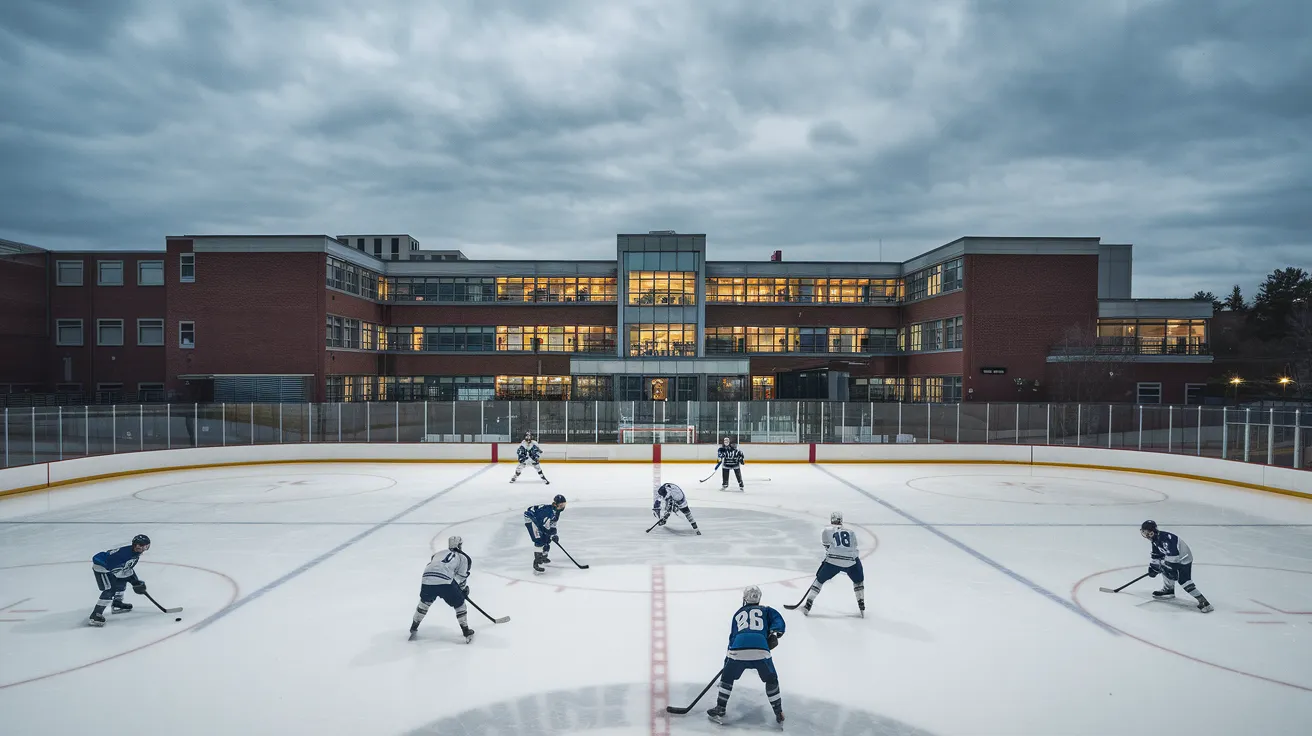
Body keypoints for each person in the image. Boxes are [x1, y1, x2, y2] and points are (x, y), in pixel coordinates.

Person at [707, 585, 786, 725]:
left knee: (727, 678)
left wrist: (727, 664)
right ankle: (778, 711)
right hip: (761, 649)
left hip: (738, 649)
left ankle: (720, 707)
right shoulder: (766, 610)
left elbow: (732, 638)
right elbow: (779, 622)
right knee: (771, 679)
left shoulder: (738, 614)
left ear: (744, 599)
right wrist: (775, 632)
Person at [411, 536, 475, 642]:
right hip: (445, 582)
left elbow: (435, 564)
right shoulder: (463, 557)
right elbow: (461, 577)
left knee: (424, 603)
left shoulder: (438, 554)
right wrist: (462, 591)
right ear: (459, 545)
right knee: (460, 604)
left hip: (427, 578)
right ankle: (466, 631)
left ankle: (414, 626)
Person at [801, 511, 864, 616]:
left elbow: (827, 547)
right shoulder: (850, 532)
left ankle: (809, 602)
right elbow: (854, 546)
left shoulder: (826, 530)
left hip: (833, 561)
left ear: (831, 520)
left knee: (819, 580)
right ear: (841, 520)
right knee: (858, 580)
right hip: (850, 562)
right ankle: (861, 602)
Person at [1141, 520, 1212, 613]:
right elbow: (1156, 555)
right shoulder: (1155, 540)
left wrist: (1168, 568)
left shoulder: (1167, 539)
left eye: (1147, 533)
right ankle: (1168, 590)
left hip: (1183, 560)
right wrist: (1153, 567)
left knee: (1184, 581)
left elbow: (1174, 556)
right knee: (1163, 567)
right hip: (1173, 559)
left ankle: (1204, 602)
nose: (1145, 535)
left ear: (1152, 532)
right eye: (1144, 532)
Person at [89, 534, 150, 627]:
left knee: (122, 581)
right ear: (134, 545)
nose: (141, 549)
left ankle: (117, 604)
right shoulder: (124, 555)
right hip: (102, 568)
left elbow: (127, 569)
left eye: (145, 547)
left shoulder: (134, 554)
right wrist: (132, 580)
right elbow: (115, 571)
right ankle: (95, 615)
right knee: (109, 590)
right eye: (139, 546)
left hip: (112, 568)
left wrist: (135, 580)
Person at [524, 494, 567, 573]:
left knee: (547, 539)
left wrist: (554, 534)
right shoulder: (547, 512)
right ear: (555, 504)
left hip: (539, 520)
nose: (563, 507)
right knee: (539, 540)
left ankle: (543, 556)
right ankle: (537, 562)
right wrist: (548, 533)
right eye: (561, 505)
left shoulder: (556, 511)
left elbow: (553, 524)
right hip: (531, 519)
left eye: (564, 505)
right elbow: (542, 525)